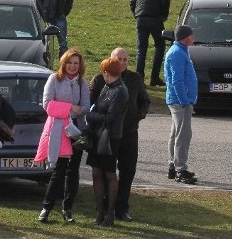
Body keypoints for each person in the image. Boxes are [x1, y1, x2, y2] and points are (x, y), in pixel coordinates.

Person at [89, 48, 150, 223]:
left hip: (129, 133)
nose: (122, 63)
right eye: (119, 59)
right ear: (111, 60)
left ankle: (122, 208)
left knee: (128, 170)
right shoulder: (100, 79)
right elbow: (91, 102)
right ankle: (105, 206)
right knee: (105, 171)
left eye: (125, 59)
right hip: (105, 135)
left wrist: (138, 115)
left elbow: (144, 101)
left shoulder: (135, 78)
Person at [36, 49, 90, 225]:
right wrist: (70, 108)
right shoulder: (54, 79)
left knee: (73, 171)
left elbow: (86, 107)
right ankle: (46, 208)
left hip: (76, 132)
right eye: (70, 62)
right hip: (59, 131)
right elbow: (47, 105)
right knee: (59, 171)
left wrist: (79, 110)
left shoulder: (83, 83)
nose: (73, 66)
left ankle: (67, 209)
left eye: (76, 63)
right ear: (64, 63)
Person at [85, 56, 129, 227]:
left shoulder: (120, 90)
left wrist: (90, 115)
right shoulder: (107, 86)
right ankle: (100, 211)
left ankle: (109, 212)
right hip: (98, 134)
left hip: (110, 137)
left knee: (109, 173)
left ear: (106, 72)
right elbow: (96, 105)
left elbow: (110, 118)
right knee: (96, 172)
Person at [165, 24, 198, 185]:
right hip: (180, 101)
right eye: (191, 35)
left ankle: (173, 165)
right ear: (185, 37)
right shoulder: (178, 53)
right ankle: (180, 169)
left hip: (179, 100)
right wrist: (185, 101)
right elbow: (176, 80)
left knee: (176, 134)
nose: (194, 37)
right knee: (183, 136)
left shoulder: (180, 51)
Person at [130, 0, 170, 86]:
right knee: (160, 46)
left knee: (141, 48)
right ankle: (154, 77)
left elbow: (132, 1)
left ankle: (139, 78)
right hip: (155, 18)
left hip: (140, 18)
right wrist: (164, 15)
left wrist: (136, 14)